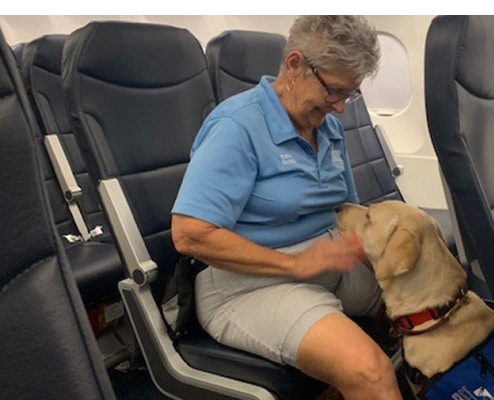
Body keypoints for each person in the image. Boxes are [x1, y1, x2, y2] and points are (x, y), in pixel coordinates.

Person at [171, 16, 402, 400]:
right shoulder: (238, 126)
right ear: (295, 65)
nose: (342, 108)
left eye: (351, 95)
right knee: (371, 374)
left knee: (439, 303)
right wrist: (295, 265)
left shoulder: (326, 126)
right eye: (335, 91)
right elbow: (189, 233)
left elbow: (347, 208)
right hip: (252, 286)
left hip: (329, 267)